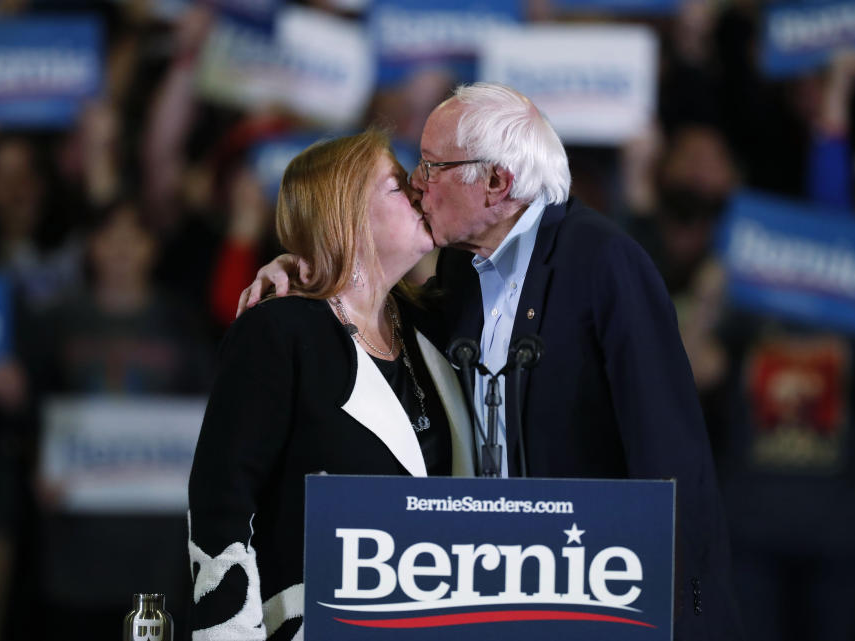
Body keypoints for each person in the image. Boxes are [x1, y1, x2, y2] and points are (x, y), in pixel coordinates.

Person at [242, 83, 745, 640]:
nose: (417, 183)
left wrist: (690, 616)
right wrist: (309, 266)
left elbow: (672, 455)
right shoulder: (460, 270)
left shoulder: (603, 263)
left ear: (498, 182)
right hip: (488, 597)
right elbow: (377, 317)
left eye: (433, 166)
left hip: (593, 594)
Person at [187, 130, 474, 641]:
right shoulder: (277, 331)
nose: (418, 194)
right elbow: (221, 501)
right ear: (345, 215)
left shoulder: (435, 324)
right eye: (397, 185)